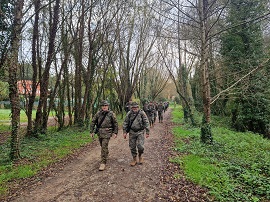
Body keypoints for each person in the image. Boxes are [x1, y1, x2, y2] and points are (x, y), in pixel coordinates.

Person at [90, 100, 118, 171]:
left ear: (108, 106)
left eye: (105, 106)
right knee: (102, 146)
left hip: (107, 132)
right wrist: (92, 131)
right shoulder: (98, 114)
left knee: (104, 146)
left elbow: (115, 123)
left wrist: (115, 132)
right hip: (100, 132)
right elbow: (93, 122)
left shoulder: (111, 114)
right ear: (101, 107)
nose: (104, 107)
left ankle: (103, 162)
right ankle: (106, 154)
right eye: (103, 106)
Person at [123, 102, 150, 166]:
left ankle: (140, 156)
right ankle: (134, 159)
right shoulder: (129, 114)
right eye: (133, 107)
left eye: (136, 107)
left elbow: (146, 122)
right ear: (131, 108)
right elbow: (125, 122)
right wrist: (124, 132)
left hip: (140, 132)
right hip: (132, 132)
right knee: (132, 146)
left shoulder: (142, 113)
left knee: (140, 146)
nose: (135, 108)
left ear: (138, 107)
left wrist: (147, 132)